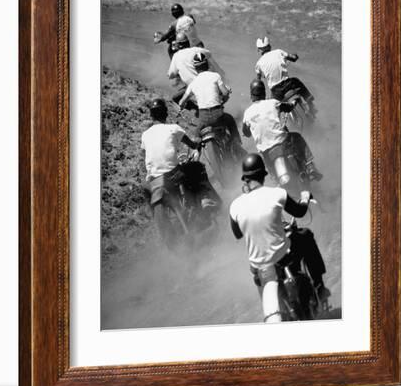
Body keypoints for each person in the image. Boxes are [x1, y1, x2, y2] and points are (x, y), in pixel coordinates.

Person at [229, 153, 330, 323]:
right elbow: (300, 212)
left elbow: (238, 234)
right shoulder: (277, 194)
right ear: (263, 175)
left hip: (259, 269)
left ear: (245, 179)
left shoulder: (235, 206)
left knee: (260, 280)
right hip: (283, 259)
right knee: (305, 236)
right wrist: (305, 198)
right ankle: (319, 287)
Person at [141, 99, 217, 243]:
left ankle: (157, 219)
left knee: (147, 193)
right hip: (173, 174)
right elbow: (192, 144)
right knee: (197, 168)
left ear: (151, 116)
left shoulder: (145, 135)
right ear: (166, 113)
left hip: (154, 179)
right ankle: (205, 199)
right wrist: (197, 144)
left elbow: (144, 154)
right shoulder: (173, 128)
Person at [242, 79, 322, 183]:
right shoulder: (273, 103)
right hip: (282, 142)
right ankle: (310, 166)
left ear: (251, 95)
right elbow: (288, 108)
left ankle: (275, 180)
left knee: (269, 168)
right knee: (297, 137)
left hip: (266, 151)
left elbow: (246, 133)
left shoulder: (247, 113)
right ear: (264, 92)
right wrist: (293, 103)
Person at [178, 53, 242, 151]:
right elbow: (225, 92)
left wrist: (182, 106)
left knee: (196, 135)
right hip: (218, 116)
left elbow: (181, 102)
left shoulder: (193, 83)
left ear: (195, 68)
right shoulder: (215, 76)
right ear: (207, 65)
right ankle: (236, 143)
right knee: (230, 121)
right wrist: (223, 99)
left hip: (204, 120)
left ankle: (196, 154)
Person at [255, 36, 316, 112]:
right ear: (269, 46)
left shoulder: (258, 64)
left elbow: (258, 82)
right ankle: (311, 104)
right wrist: (295, 56)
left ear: (258, 50)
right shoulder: (278, 52)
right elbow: (293, 58)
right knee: (296, 81)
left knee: (273, 109)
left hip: (276, 92)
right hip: (289, 84)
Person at [167, 37, 228, 107]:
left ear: (178, 46)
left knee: (176, 98)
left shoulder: (176, 56)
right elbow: (209, 53)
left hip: (193, 86)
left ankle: (196, 109)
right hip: (207, 82)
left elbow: (170, 75)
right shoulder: (197, 50)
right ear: (188, 43)